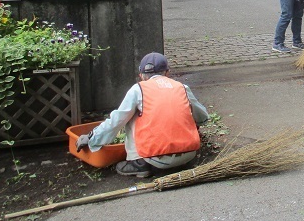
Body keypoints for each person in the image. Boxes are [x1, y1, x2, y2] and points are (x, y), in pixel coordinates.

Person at [76, 52, 209, 178]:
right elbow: (202, 117)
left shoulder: (138, 89)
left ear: (141, 75)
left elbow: (117, 121)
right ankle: (180, 157)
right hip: (189, 155)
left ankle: (139, 163)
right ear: (167, 73)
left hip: (156, 159)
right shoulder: (182, 87)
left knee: (129, 116)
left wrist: (91, 138)